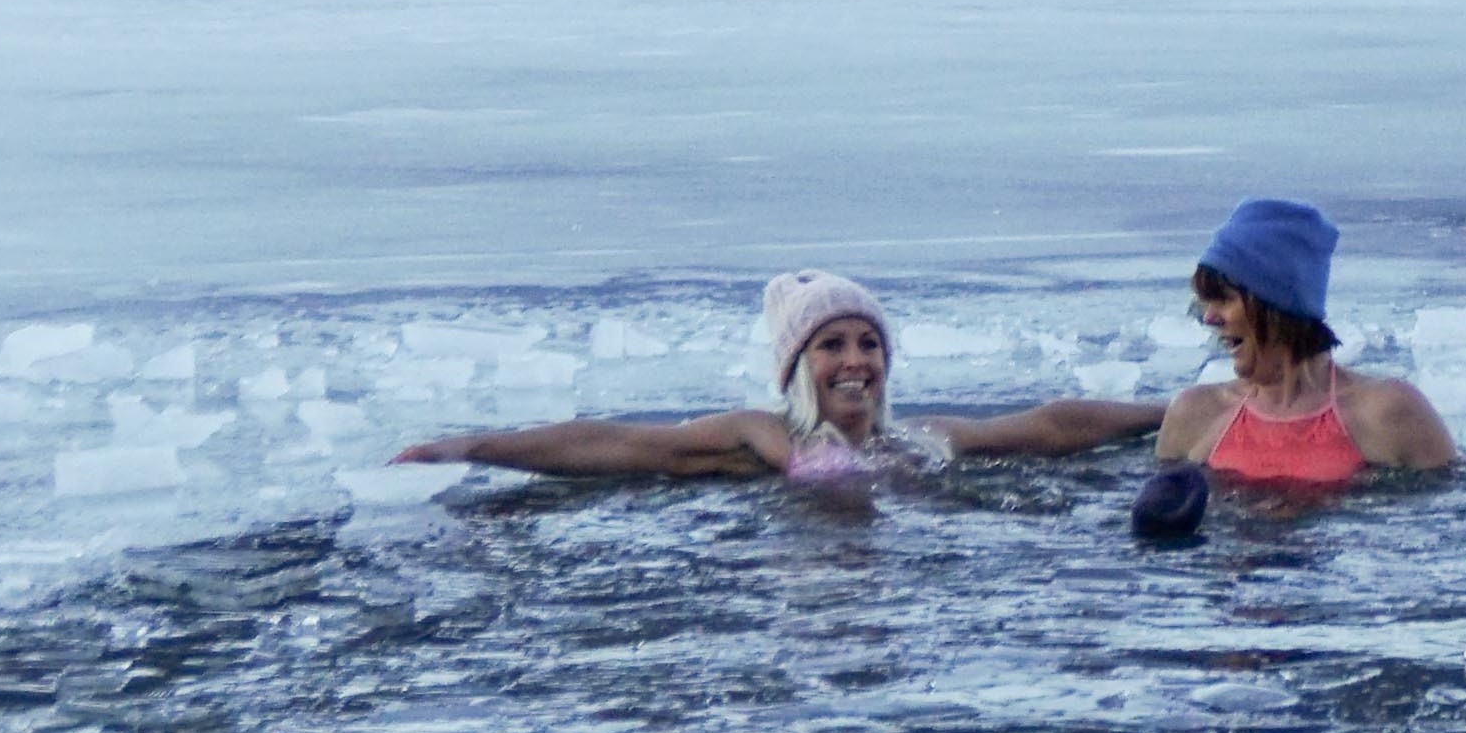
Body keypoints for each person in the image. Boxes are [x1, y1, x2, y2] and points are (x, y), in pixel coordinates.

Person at [398, 269, 1168, 499]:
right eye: (831, 345)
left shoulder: (924, 439)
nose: (857, 361)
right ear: (796, 368)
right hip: (803, 590)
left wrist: (1175, 410)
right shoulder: (763, 437)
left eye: (870, 343)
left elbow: (1050, 427)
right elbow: (618, 442)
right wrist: (474, 448)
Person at [1150, 198, 1456, 490]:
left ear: (1278, 304)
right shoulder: (1194, 415)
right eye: (1207, 302)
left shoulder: (1389, 412)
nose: (1209, 318)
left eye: (1225, 299)